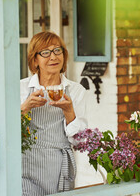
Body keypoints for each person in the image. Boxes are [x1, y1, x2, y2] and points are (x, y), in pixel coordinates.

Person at [20, 31, 87, 196]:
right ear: (35, 60)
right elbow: (5, 131)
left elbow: (81, 142)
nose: (53, 57)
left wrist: (69, 112)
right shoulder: (21, 88)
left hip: (59, 167)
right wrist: (25, 108)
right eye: (45, 52)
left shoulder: (76, 91)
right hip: (26, 165)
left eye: (58, 50)